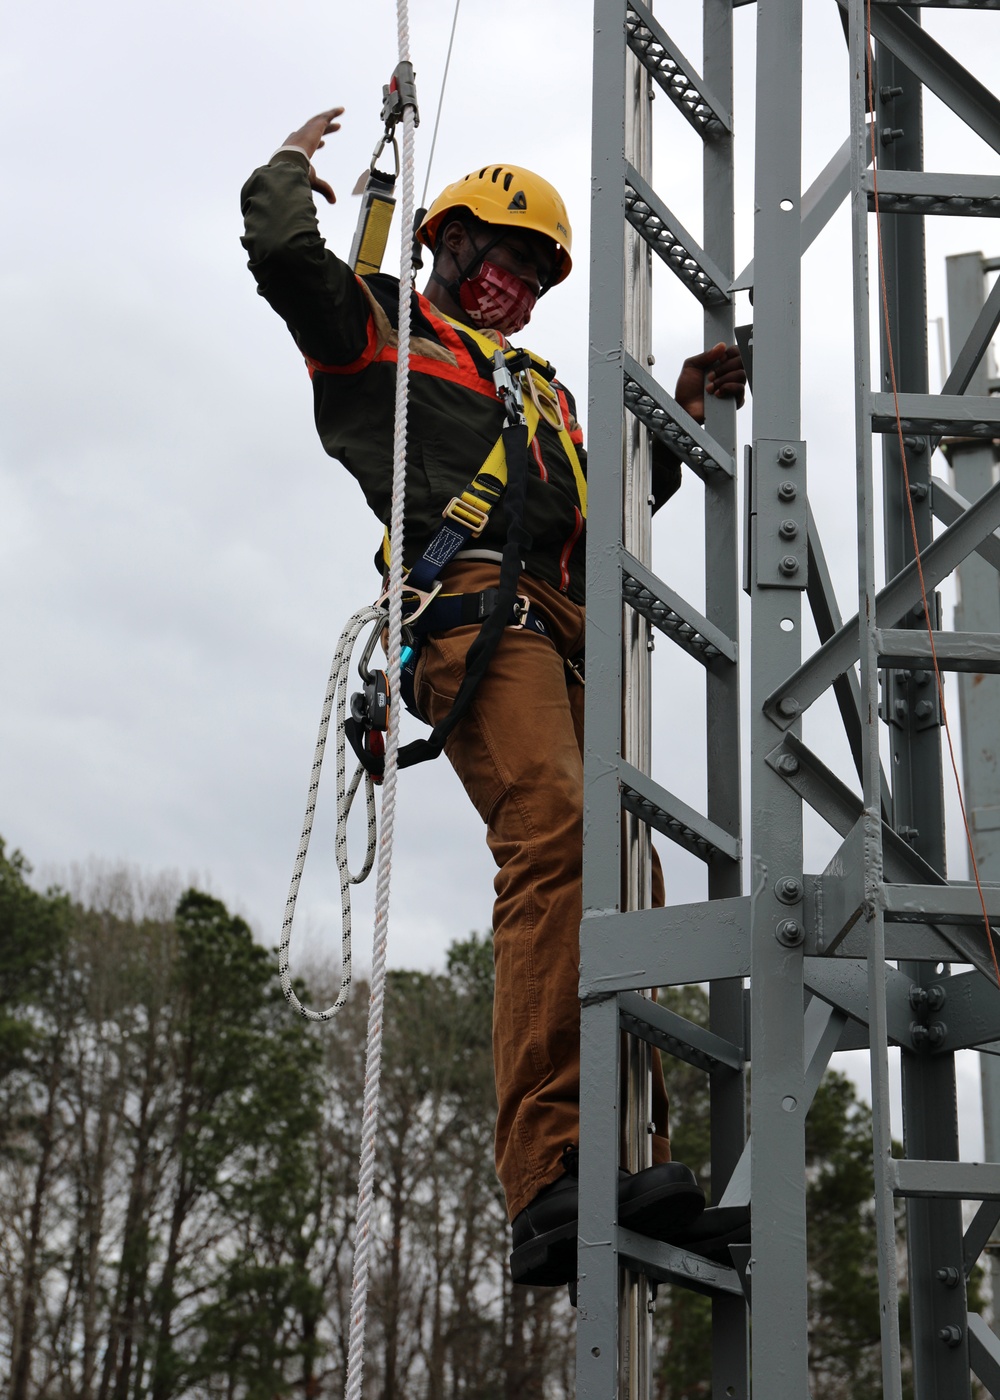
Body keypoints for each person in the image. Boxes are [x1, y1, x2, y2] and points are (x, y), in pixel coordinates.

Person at [241, 106, 746, 1288]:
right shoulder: (384, 338)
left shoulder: (547, 396)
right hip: (476, 614)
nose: (510, 286)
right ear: (448, 252)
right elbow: (282, 261)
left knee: (628, 876)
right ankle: (551, 1167)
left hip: (568, 628)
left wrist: (676, 412)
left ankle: (635, 1155)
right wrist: (290, 177)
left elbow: (601, 520)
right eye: (495, 261)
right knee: (558, 834)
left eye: (528, 273)